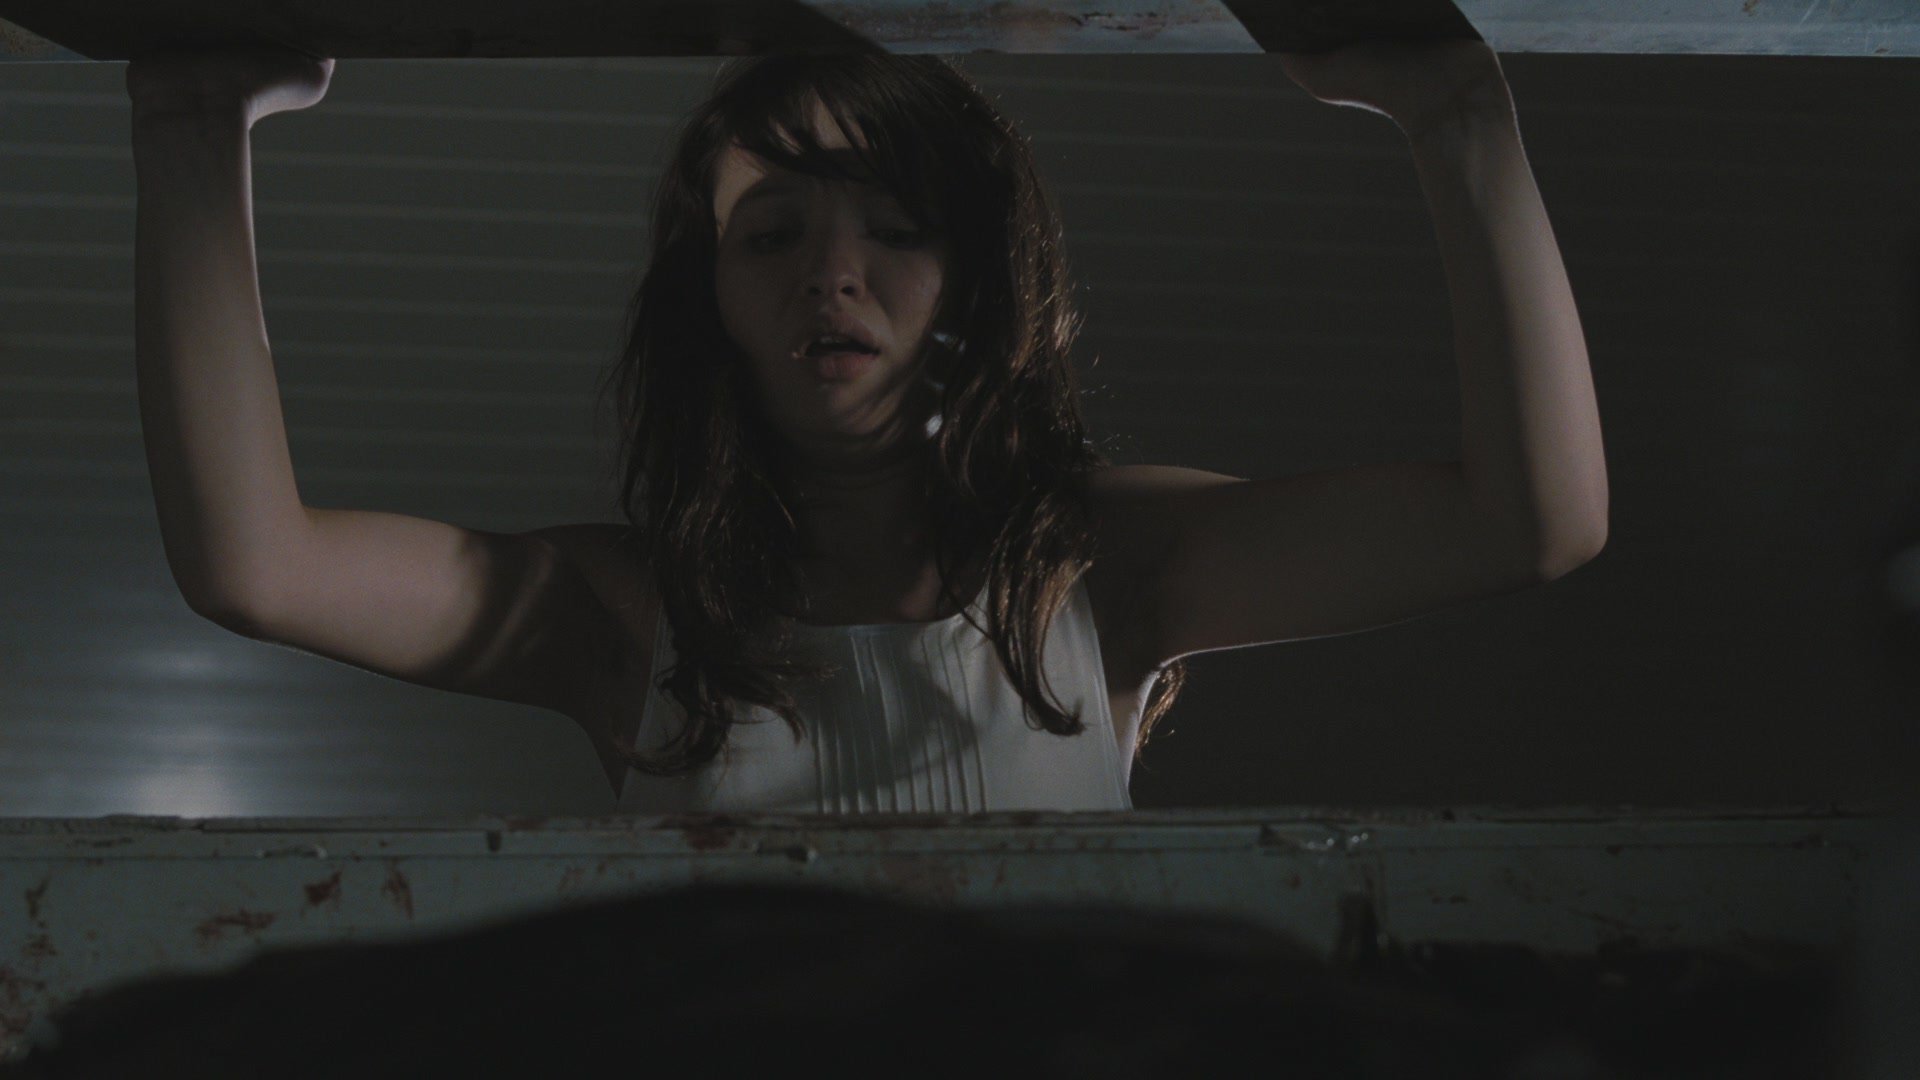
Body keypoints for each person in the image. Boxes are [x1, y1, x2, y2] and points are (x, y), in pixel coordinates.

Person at [124, 38, 1606, 816]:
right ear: (709, 296)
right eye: (772, 234)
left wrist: (1455, 110)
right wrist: (193, 130)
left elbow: (1530, 522)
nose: (832, 276)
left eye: (893, 228)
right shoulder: (627, 612)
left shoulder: (1100, 563)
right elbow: (255, 563)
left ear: (978, 280)